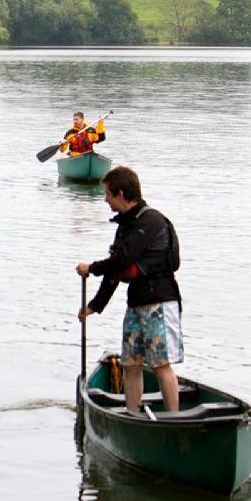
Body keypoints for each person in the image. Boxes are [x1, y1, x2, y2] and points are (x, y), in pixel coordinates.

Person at [76, 166, 183, 414]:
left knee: (160, 364)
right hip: (136, 304)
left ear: (121, 193)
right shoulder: (125, 226)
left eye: (108, 194)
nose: (105, 199)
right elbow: (115, 271)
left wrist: (91, 268)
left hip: (160, 302)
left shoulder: (151, 221)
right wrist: (94, 306)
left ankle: (174, 418)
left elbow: (123, 260)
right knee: (131, 364)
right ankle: (133, 414)